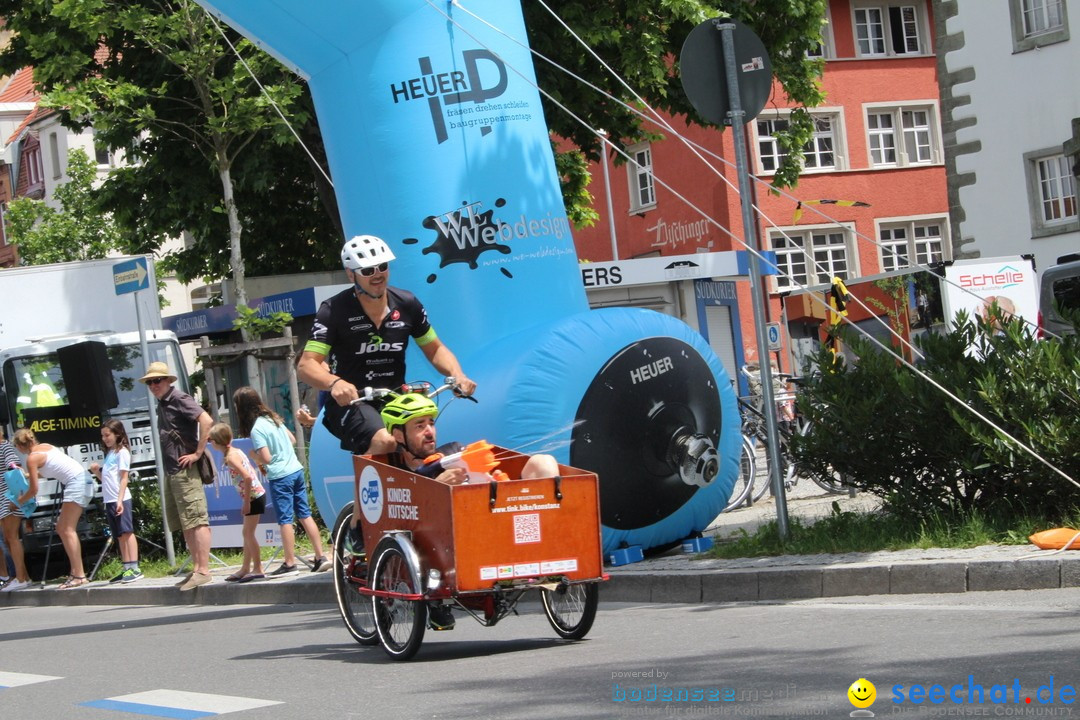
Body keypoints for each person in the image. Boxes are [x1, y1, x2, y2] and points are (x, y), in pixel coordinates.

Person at [375, 392, 560, 631]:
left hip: (502, 524)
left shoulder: (451, 451)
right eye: (419, 426)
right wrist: (439, 484)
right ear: (398, 434)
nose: (429, 431)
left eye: (431, 423)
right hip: (453, 547)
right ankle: (436, 606)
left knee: (543, 461)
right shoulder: (396, 474)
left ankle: (552, 547)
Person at [297, 235, 477, 457]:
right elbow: (306, 366)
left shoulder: (407, 304)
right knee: (385, 442)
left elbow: (435, 349)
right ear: (351, 273)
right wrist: (335, 383)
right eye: (367, 270)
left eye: (382, 266)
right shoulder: (333, 310)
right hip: (352, 402)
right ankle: (369, 490)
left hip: (396, 400)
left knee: (422, 447)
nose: (377, 275)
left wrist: (457, 374)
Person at [233, 386, 331, 576]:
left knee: (285, 519)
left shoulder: (257, 429)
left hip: (280, 475)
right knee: (304, 513)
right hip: (296, 470)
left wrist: (255, 455)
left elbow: (267, 458)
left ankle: (289, 562)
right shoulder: (273, 418)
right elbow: (293, 439)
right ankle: (320, 557)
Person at [140, 361, 215, 591]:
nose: (153, 385)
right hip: (173, 471)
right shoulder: (163, 403)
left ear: (167, 380)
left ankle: (203, 570)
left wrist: (198, 453)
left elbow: (207, 420)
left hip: (185, 470)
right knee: (186, 524)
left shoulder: (179, 398)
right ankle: (196, 569)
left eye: (157, 380)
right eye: (150, 382)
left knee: (196, 520)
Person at [13, 428, 94, 589]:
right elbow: (52, 469)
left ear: (21, 446)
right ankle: (76, 572)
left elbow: (33, 490)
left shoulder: (31, 459)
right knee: (63, 528)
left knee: (66, 529)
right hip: (83, 480)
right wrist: (29, 475)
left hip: (75, 483)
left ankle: (79, 575)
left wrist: (18, 501)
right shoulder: (46, 446)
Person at [208, 423, 266, 583]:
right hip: (255, 495)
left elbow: (247, 477)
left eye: (210, 440)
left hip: (254, 497)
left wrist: (246, 501)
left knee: (248, 533)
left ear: (217, 442)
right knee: (246, 533)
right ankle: (245, 568)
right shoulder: (235, 452)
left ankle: (258, 568)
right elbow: (251, 471)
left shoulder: (232, 457)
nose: (210, 442)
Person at [89, 420, 142, 584]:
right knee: (119, 535)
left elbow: (124, 478)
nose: (105, 438)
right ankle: (126, 567)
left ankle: (135, 568)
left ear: (117, 434)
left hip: (121, 499)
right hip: (110, 499)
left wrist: (119, 501)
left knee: (127, 532)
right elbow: (106, 480)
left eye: (107, 435)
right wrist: (97, 472)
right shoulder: (110, 453)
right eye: (102, 436)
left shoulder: (122, 452)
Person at [0, 429, 30, 592]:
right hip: (2, 498)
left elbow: (14, 468)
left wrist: (16, 498)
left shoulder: (5, 447)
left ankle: (20, 579)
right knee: (7, 538)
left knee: (12, 537)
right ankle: (24, 577)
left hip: (9, 496)